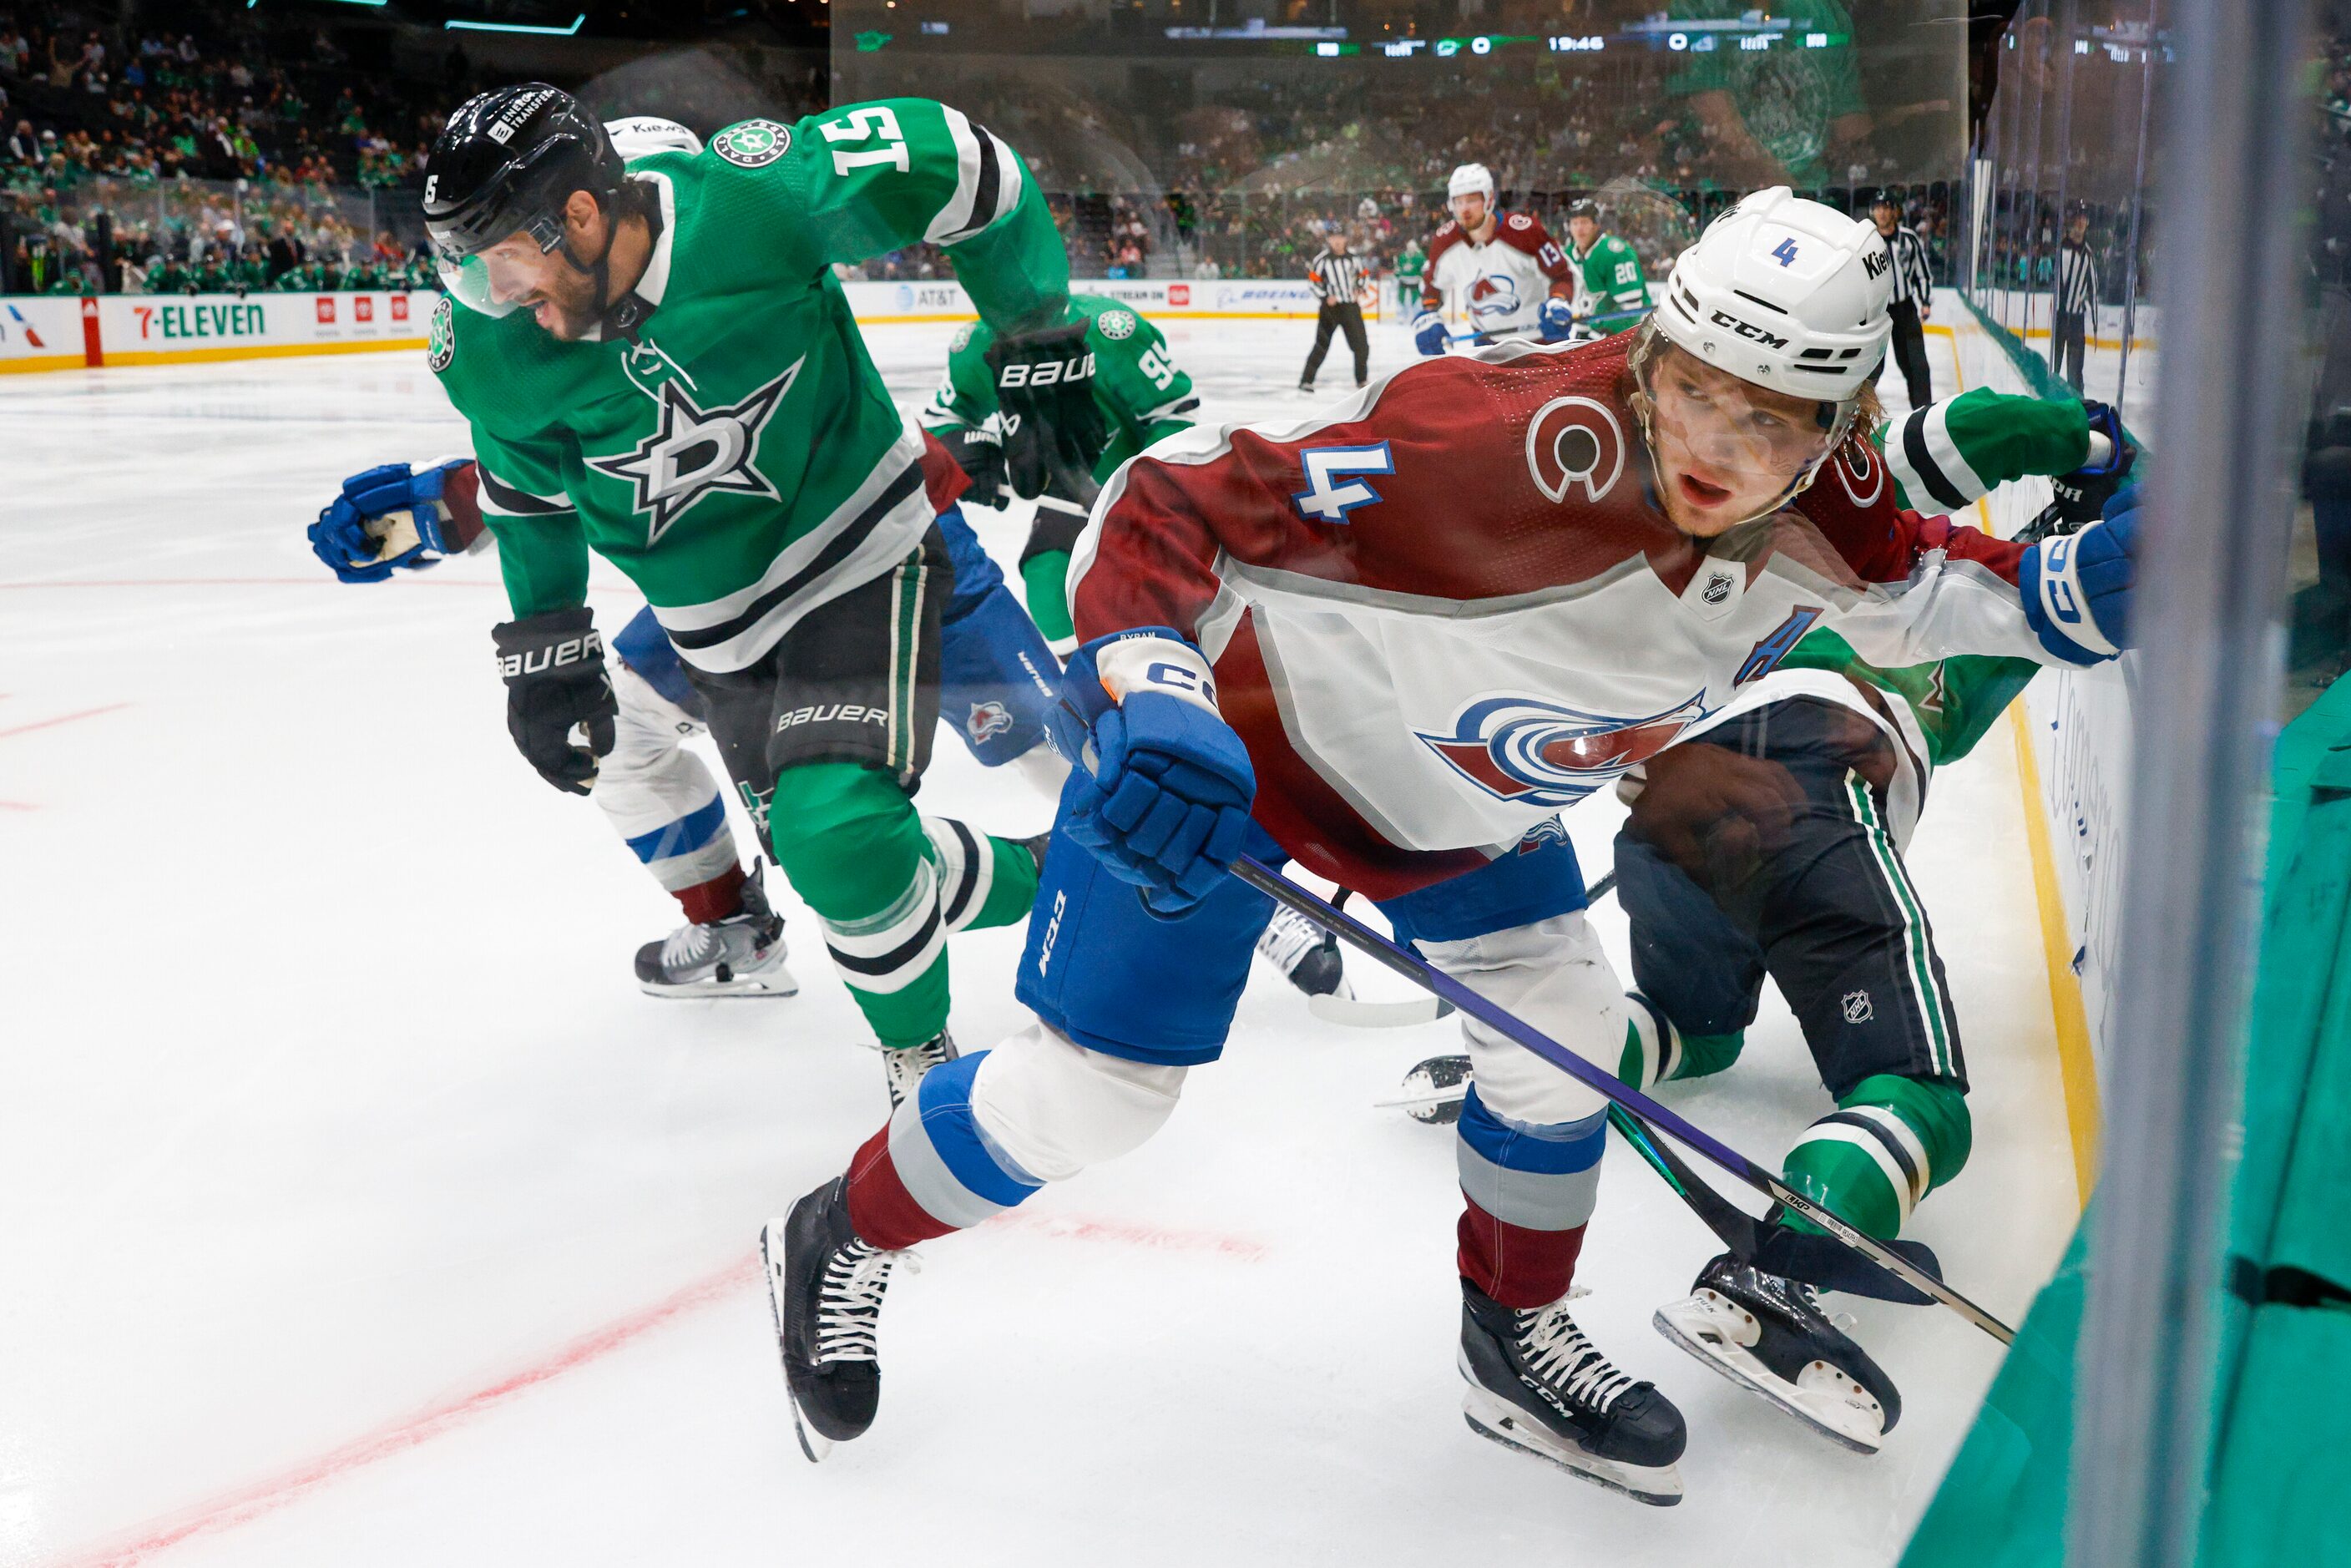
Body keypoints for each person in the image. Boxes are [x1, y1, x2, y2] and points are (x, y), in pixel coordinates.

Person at [761, 189, 2139, 1499]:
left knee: (1568, 1034)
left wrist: (2097, 586)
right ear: (1652, 350)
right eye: (1695, 387)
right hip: (1243, 752)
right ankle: (840, 1227)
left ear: (1839, 427)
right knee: (1097, 1098)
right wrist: (1155, 681)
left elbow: (1939, 593)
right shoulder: (1490, 438)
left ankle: (1512, 1336)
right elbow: (1171, 499)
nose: (1719, 444)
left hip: (1455, 817)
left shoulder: (1829, 513)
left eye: (1771, 423)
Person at [1395, 387, 2137, 1453]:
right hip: (1809, 784)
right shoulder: (1955, 607)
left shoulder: (1806, 525)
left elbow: (1953, 441)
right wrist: (2114, 464)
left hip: (1670, 792)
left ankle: (1550, 1066)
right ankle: (1773, 1279)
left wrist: (2072, 436)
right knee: (1920, 1101)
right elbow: (2046, 602)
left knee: (1696, 1028)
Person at [421, 86, 1109, 1102]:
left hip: (860, 556)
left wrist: (1034, 332)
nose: (496, 295)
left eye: (506, 261)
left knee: (841, 836)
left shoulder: (754, 200)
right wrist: (549, 643)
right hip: (712, 630)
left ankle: (920, 1068)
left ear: (578, 214)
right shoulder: (494, 343)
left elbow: (965, 163)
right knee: (845, 869)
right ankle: (1067, 872)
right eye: (469, 270)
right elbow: (522, 486)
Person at [916, 292, 1199, 655]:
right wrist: (971, 449)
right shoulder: (978, 346)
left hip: (1133, 469)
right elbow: (945, 419)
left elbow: (1174, 410)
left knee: (1168, 590)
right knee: (1048, 588)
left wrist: (1144, 485)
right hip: (1064, 485)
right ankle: (1100, 689)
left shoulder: (1110, 328)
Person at [1412, 163, 1575, 355]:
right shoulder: (1444, 241)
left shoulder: (1525, 233)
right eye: (1458, 201)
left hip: (1543, 344)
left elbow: (1561, 276)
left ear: (1489, 198)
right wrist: (1429, 314)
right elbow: (1432, 287)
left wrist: (1558, 301)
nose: (1464, 209)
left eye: (1472, 200)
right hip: (1486, 347)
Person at [1869, 190, 1935, 408]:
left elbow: (1922, 273)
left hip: (1905, 310)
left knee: (1916, 365)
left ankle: (1923, 413)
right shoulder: (1868, 240)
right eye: (1877, 207)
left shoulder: (1908, 239)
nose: (1881, 212)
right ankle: (1857, 416)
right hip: (1877, 313)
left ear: (1894, 211)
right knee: (1871, 368)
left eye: (1885, 207)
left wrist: (1925, 302)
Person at [1298, 225, 1370, 395]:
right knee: (1321, 345)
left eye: (1340, 237)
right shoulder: (1322, 260)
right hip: (1330, 309)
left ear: (1345, 239)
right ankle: (1306, 380)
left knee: (1361, 346)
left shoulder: (1354, 258)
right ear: (1329, 240)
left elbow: (1364, 275)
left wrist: (1360, 287)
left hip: (1350, 307)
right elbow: (1313, 281)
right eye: (1333, 237)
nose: (1337, 241)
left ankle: (1362, 380)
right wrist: (1325, 297)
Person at [1561, 199, 1648, 336]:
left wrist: (1604, 335)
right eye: (1575, 223)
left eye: (1584, 222)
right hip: (1588, 330)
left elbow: (1632, 307)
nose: (1579, 228)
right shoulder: (1568, 255)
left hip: (1625, 333)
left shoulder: (1616, 252)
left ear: (1596, 225)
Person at [2053, 209, 2100, 394]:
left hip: (2076, 322)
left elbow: (2093, 290)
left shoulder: (2088, 255)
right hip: (2060, 317)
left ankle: (2077, 414)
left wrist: (2095, 326)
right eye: (2078, 218)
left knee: (2075, 377)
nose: (2081, 222)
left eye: (2084, 219)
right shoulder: (2061, 249)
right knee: (2054, 369)